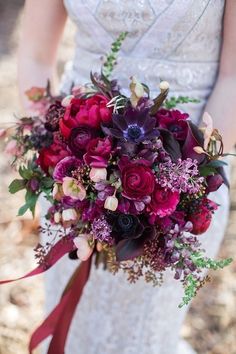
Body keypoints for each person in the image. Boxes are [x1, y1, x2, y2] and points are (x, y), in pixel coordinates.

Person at [18, 1, 236, 353]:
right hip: (73, 173)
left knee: (144, 336)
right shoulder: (70, 174)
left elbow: (234, 76)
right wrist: (56, 149)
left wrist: (177, 176)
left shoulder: (182, 181)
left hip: (183, 186)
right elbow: (35, 55)